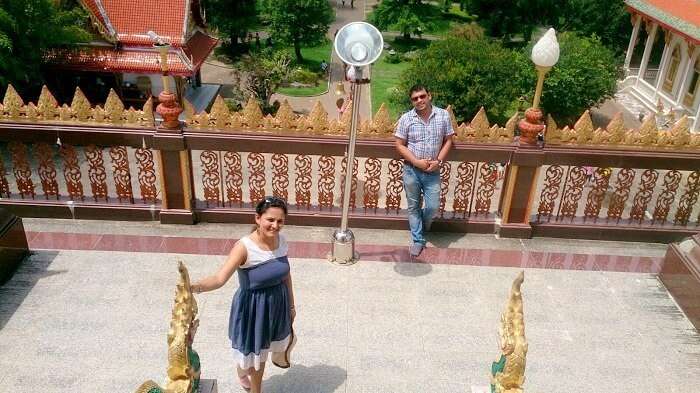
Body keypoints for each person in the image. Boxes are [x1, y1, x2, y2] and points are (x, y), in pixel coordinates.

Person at [191, 197, 295, 393]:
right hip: (253, 307)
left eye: (280, 221)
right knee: (257, 358)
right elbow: (219, 278)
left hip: (277, 303)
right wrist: (193, 287)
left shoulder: (281, 241)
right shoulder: (244, 247)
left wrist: (291, 305)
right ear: (257, 218)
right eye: (270, 220)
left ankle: (242, 372)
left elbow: (286, 274)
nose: (275, 225)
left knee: (257, 355)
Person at [394, 85, 454, 257]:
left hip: (433, 170)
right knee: (413, 206)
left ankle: (422, 223)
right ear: (411, 101)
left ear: (429, 96)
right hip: (412, 169)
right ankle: (418, 239)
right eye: (415, 98)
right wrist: (416, 162)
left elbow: (449, 140)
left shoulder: (442, 115)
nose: (419, 101)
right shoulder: (407, 118)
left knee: (433, 206)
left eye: (422, 96)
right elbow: (399, 144)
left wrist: (439, 161)